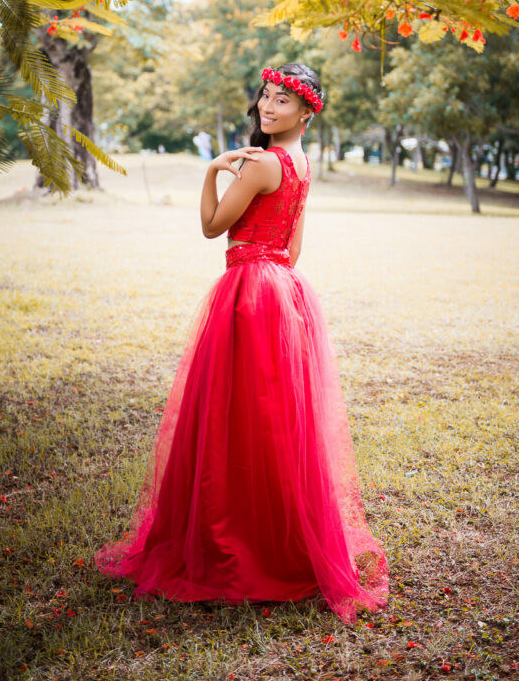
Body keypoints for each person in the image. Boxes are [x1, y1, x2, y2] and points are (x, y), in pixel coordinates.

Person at [95, 63, 389, 622]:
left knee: (231, 419)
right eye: (265, 96)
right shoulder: (302, 165)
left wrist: (210, 171)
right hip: (285, 292)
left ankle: (235, 545)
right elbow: (293, 249)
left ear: (306, 113)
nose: (268, 106)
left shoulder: (259, 164)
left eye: (282, 99)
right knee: (274, 422)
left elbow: (211, 228)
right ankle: (282, 541)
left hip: (247, 294)